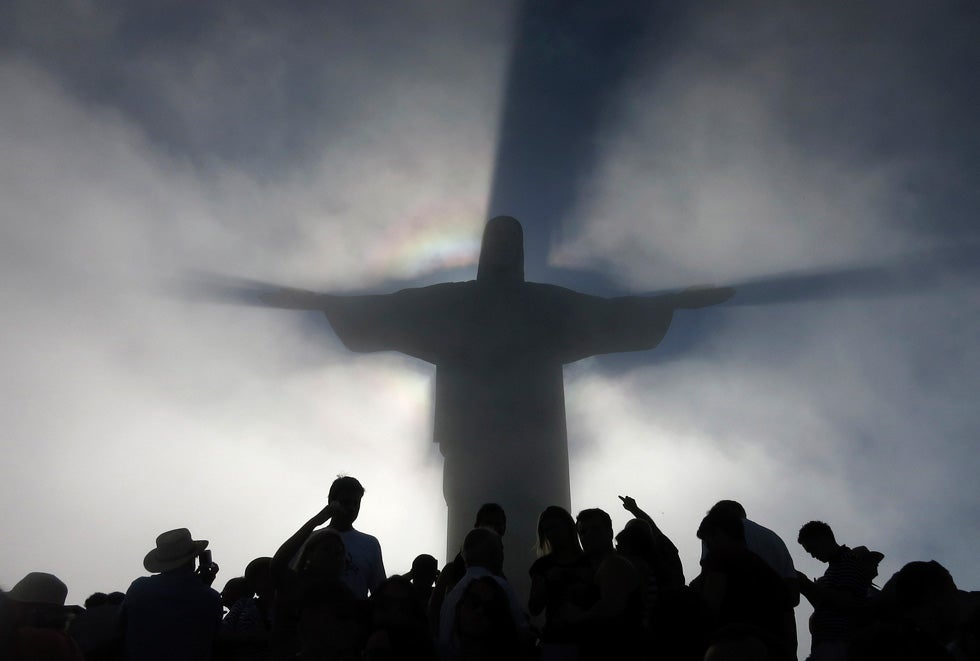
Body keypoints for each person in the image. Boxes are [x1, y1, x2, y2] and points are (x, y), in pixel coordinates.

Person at [256, 216, 734, 594]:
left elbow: (611, 314)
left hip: (538, 443)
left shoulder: (544, 305)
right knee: (471, 521)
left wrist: (676, 301)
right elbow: (389, 309)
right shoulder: (455, 304)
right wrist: (319, 300)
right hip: (471, 440)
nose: (505, 251)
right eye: (497, 241)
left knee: (543, 526)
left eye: (512, 242)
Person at [694, 509, 796, 661]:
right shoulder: (773, 576)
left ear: (718, 533)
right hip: (774, 651)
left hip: (731, 646)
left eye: (708, 541)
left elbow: (710, 605)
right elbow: (790, 626)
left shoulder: (720, 557)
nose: (708, 547)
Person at [121, 527, 222, 661]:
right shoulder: (211, 598)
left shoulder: (139, 588)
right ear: (193, 559)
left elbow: (120, 627)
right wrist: (204, 587)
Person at [796, 520, 881, 661]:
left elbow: (847, 601)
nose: (813, 555)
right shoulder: (837, 565)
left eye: (812, 549)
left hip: (839, 644)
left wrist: (810, 586)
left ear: (822, 538)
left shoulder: (846, 561)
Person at [439, 527, 528, 660]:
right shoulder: (500, 585)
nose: (502, 554)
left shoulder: (452, 595)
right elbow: (521, 630)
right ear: (493, 553)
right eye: (500, 549)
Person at [295, 476, 386, 599]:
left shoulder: (370, 544)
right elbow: (286, 571)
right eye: (346, 502)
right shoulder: (311, 539)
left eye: (356, 503)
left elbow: (380, 592)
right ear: (332, 502)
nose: (352, 508)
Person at [527, 505, 593, 660]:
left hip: (590, 638)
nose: (551, 534)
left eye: (555, 527)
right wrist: (546, 583)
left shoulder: (590, 561)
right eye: (547, 530)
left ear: (569, 528)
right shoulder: (542, 567)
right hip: (557, 639)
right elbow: (534, 608)